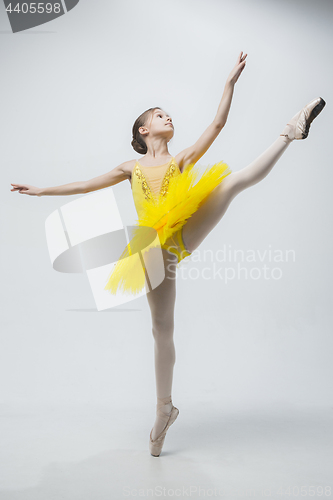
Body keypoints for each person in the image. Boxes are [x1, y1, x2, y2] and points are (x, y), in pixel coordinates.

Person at [11, 51, 326, 457]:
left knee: (230, 184)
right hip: (151, 249)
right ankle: (164, 411)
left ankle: (289, 132)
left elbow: (217, 124)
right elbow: (85, 185)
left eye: (169, 115)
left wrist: (229, 83)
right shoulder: (131, 167)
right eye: (160, 116)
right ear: (144, 130)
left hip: (182, 228)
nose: (168, 118)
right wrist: (41, 191)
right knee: (162, 329)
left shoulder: (180, 160)